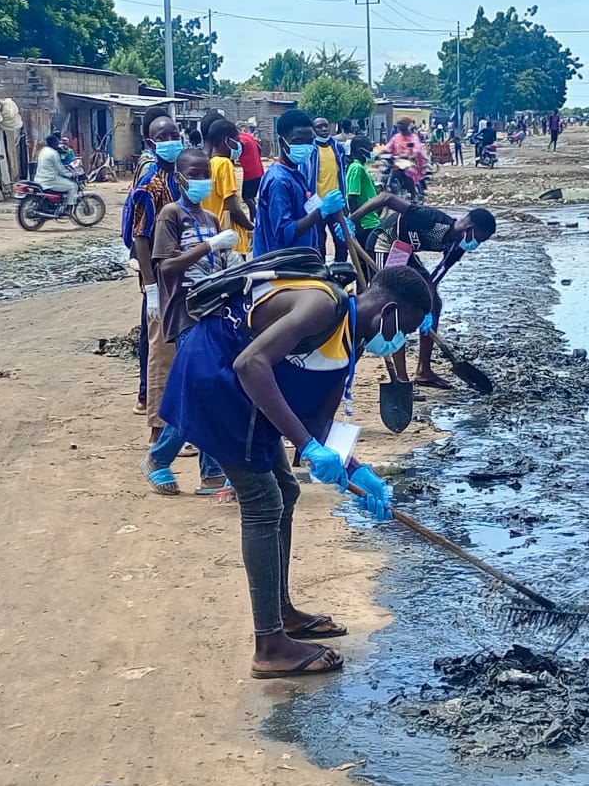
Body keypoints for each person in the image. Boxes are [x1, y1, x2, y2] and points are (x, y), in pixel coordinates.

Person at [161, 259, 432, 678]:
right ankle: (269, 646)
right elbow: (250, 364)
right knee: (263, 502)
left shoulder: (352, 339)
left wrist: (357, 470)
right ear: (390, 312)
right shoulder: (322, 306)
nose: (400, 342)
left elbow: (319, 420)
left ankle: (281, 613)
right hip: (215, 376)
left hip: (246, 391)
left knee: (286, 491)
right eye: (405, 331)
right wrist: (306, 446)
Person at [142, 148, 239, 495]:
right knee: (198, 392)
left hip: (212, 310)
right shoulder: (171, 215)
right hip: (185, 311)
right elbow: (166, 266)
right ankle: (159, 457)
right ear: (179, 178)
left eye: (205, 175)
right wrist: (210, 246)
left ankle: (210, 473)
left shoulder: (210, 217)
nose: (201, 181)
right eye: (194, 175)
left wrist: (232, 261)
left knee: (209, 391)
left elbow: (219, 266)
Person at [350, 193, 496, 388]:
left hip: (404, 252)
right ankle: (402, 378)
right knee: (396, 308)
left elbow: (432, 282)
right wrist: (351, 220)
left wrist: (427, 311)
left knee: (434, 304)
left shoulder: (457, 246)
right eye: (479, 239)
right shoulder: (432, 220)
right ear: (469, 229)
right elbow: (386, 198)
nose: (476, 245)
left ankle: (424, 371)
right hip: (384, 242)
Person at [123, 113, 185, 439]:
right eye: (163, 137)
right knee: (160, 352)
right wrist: (150, 288)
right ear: (151, 143)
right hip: (161, 278)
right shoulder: (150, 185)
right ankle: (157, 431)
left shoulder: (181, 179)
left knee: (180, 350)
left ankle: (177, 426)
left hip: (184, 276)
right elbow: (140, 238)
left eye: (175, 135)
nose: (171, 141)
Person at [253, 109, 344, 256]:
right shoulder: (279, 181)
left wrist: (335, 215)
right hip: (281, 262)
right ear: (282, 142)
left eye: (309, 142)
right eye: (297, 141)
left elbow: (307, 208)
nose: (305, 147)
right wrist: (322, 211)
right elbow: (283, 232)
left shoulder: (296, 174)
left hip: (299, 258)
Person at [203, 118, 255, 261]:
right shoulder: (224, 164)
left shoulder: (208, 164)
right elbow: (232, 207)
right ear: (227, 140)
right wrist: (251, 228)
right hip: (230, 240)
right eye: (236, 141)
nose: (239, 145)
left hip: (215, 236)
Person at [308, 116, 350, 261]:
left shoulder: (337, 147)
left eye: (326, 125)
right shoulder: (311, 150)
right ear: (313, 130)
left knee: (342, 241)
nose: (324, 129)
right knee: (319, 243)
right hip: (318, 205)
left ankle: (340, 271)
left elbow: (342, 174)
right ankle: (321, 271)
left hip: (336, 204)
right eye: (319, 127)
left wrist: (344, 202)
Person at [344, 135, 380, 248]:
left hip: (371, 220)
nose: (372, 153)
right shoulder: (356, 168)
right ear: (361, 150)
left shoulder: (360, 167)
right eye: (370, 150)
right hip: (365, 224)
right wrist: (358, 224)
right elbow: (352, 197)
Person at [382, 117, 428, 197]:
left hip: (411, 162)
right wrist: (377, 154)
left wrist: (412, 155)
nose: (399, 126)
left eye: (402, 124)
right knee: (386, 172)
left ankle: (413, 195)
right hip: (397, 162)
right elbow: (388, 148)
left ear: (407, 126)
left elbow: (416, 149)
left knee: (408, 173)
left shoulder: (413, 137)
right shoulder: (396, 137)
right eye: (398, 124)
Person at [33, 133, 79, 211]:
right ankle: (69, 209)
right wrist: (71, 175)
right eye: (57, 143)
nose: (58, 144)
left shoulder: (43, 151)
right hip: (50, 181)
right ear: (53, 143)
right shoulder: (53, 153)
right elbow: (61, 171)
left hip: (39, 179)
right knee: (73, 186)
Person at [237, 124, 265, 215]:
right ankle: (254, 217)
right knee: (251, 197)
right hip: (258, 169)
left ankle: (254, 216)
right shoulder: (248, 136)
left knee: (247, 197)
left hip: (250, 172)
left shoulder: (241, 140)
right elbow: (259, 147)